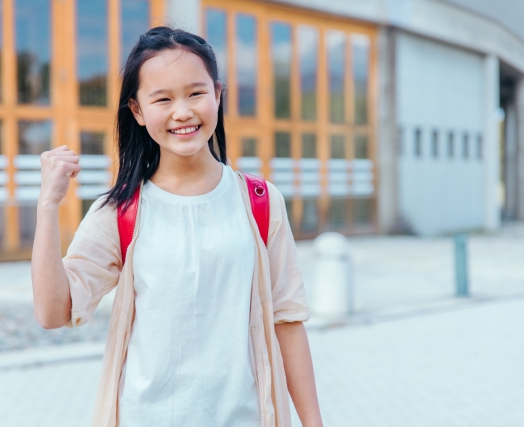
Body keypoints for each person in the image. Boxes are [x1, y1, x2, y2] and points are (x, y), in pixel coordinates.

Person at [31, 26, 322, 427]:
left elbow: (288, 321)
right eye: (162, 99)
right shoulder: (121, 211)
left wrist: (314, 422)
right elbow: (52, 312)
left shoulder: (259, 201)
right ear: (137, 111)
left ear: (217, 95)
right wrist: (48, 205)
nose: (182, 111)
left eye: (195, 93)